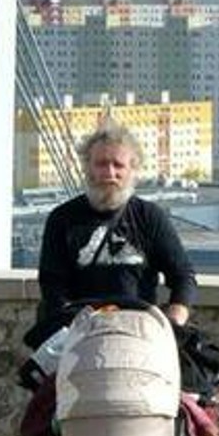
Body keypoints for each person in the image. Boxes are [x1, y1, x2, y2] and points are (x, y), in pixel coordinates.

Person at [28, 126, 196, 345]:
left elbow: (183, 275)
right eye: (101, 164)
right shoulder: (62, 219)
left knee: (207, 374)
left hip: (139, 333)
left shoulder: (150, 217)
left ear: (132, 169)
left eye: (118, 165)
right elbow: (52, 285)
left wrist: (175, 319)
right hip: (78, 331)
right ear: (87, 168)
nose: (109, 173)